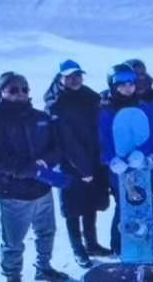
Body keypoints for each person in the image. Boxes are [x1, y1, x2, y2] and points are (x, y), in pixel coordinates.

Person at [0, 71, 70, 282]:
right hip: (13, 193)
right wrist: (31, 170)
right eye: (13, 89)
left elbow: (57, 147)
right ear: (1, 92)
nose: (20, 93)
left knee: (46, 231)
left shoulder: (39, 117)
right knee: (14, 242)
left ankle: (44, 267)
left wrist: (45, 163)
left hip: (42, 188)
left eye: (24, 89)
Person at [44, 60, 110, 268]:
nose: (75, 80)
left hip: (92, 159)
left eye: (78, 76)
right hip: (69, 164)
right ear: (61, 78)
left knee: (90, 203)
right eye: (70, 77)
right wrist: (83, 168)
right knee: (73, 208)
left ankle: (92, 243)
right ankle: (78, 249)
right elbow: (65, 140)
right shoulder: (55, 104)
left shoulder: (89, 97)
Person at [98, 63, 153, 257]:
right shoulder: (106, 111)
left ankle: (147, 244)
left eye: (131, 83)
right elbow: (101, 139)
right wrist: (110, 159)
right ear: (113, 85)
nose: (127, 87)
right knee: (124, 204)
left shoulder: (144, 108)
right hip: (119, 168)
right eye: (122, 84)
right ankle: (120, 246)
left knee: (145, 203)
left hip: (143, 166)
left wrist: (143, 152)